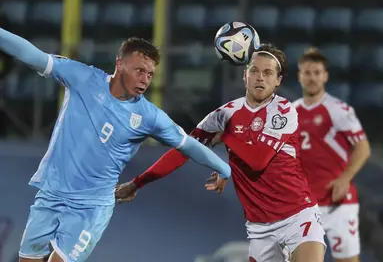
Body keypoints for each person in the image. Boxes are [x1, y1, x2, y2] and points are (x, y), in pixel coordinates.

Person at [0, 28, 232, 262]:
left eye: (150, 74)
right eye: (140, 71)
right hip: (50, 193)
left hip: (90, 207)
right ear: (119, 64)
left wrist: (225, 168)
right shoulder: (83, 78)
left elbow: (188, 145)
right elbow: (32, 55)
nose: (145, 80)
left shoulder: (148, 116)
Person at [115, 43, 327, 262]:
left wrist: (225, 136)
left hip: (298, 216)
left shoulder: (282, 110)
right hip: (260, 228)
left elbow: (258, 161)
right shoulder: (224, 114)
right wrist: (137, 183)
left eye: (268, 73)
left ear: (278, 80)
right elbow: (183, 150)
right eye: (254, 71)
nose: (260, 78)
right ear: (245, 75)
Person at [293, 48, 371, 262]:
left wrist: (345, 178)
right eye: (307, 73)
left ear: (325, 76)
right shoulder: (290, 113)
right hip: (304, 205)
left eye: (317, 73)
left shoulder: (339, 110)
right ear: (299, 76)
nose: (312, 78)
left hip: (338, 203)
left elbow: (363, 148)